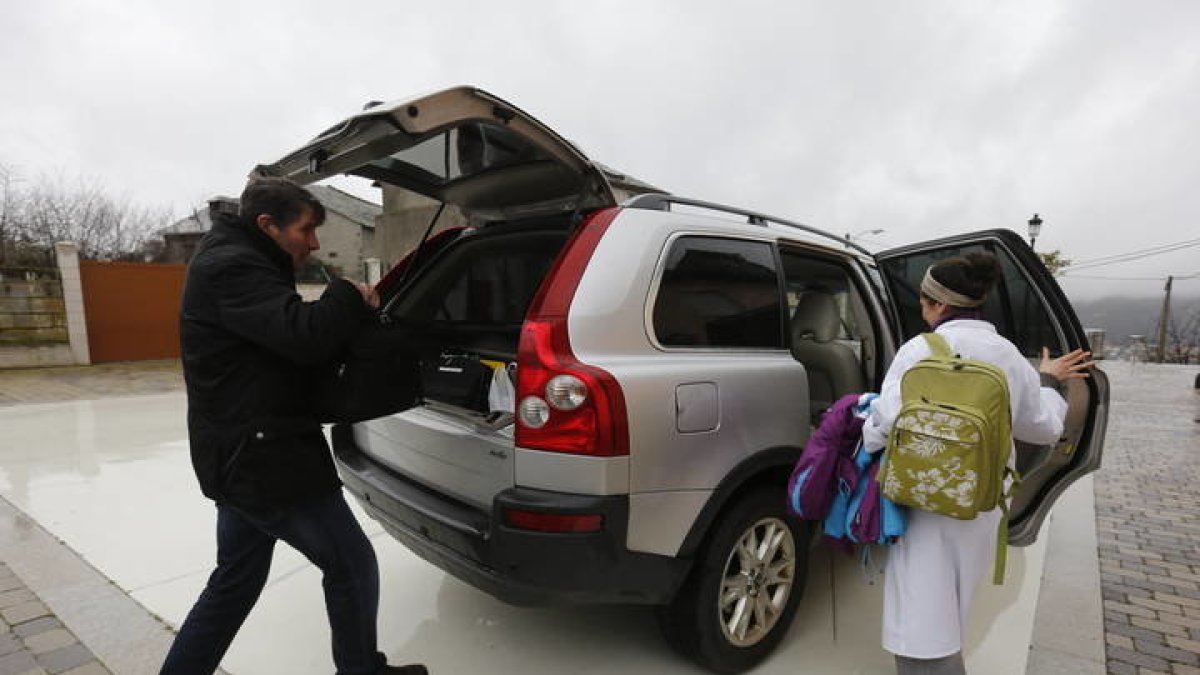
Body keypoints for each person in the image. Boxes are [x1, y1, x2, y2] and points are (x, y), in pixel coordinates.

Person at [162, 177, 427, 675]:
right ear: (268, 225)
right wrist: (346, 295)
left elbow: (276, 343)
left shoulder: (244, 260)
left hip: (244, 455)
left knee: (233, 584)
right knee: (350, 565)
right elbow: (302, 336)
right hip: (266, 461)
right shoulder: (232, 267)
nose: (315, 242)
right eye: (306, 230)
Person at [861, 252, 1093, 675]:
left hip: (921, 493)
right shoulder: (1005, 354)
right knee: (954, 597)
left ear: (937, 305)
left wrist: (864, 440)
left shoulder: (917, 350)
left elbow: (886, 419)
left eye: (924, 301)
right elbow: (1040, 427)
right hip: (981, 497)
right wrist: (1047, 381)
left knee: (918, 607)